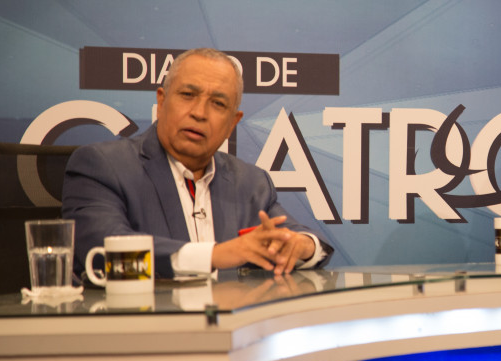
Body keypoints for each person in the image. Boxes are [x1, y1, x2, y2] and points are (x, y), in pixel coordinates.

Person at [63, 47, 333, 280]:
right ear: (161, 101)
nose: (199, 113)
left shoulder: (251, 182)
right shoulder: (103, 166)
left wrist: (302, 246)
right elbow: (100, 249)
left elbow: (301, 239)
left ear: (233, 123)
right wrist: (215, 256)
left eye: (218, 103)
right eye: (188, 95)